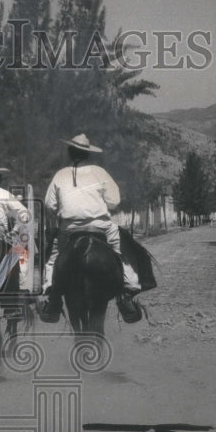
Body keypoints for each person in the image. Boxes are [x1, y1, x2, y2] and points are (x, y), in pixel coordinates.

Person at [38, 133, 141, 323]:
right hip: (100, 227)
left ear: (70, 152)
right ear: (88, 154)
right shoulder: (100, 172)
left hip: (69, 229)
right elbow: (114, 201)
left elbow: (49, 205)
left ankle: (51, 297)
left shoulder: (60, 175)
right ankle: (127, 293)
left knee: (53, 257)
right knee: (121, 253)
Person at [0, 162, 30, 292]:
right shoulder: (4, 194)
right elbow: (24, 214)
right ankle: (11, 304)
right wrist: (14, 231)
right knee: (12, 264)